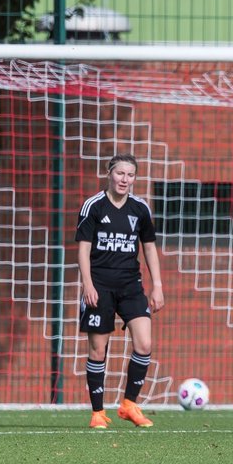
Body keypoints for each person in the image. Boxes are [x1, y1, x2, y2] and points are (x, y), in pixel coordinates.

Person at [75, 153, 164, 429]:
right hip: (99, 286)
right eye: (120, 173)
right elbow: (83, 248)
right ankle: (98, 413)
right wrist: (87, 284)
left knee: (145, 344)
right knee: (98, 350)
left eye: (130, 175)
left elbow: (149, 247)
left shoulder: (140, 209)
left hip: (130, 286)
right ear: (109, 174)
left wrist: (157, 285)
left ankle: (129, 405)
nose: (125, 180)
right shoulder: (93, 206)